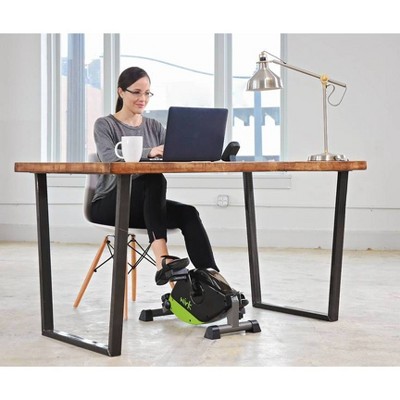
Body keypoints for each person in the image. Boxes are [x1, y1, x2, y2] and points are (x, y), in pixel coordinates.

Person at [91, 66, 219, 285]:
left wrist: (198, 151)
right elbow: (109, 160)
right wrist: (148, 152)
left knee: (188, 213)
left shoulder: (154, 126)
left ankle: (211, 278)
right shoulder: (105, 124)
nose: (143, 98)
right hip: (110, 203)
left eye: (147, 93)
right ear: (121, 92)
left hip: (145, 207)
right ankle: (163, 260)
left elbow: (172, 155)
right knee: (153, 177)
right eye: (137, 92)